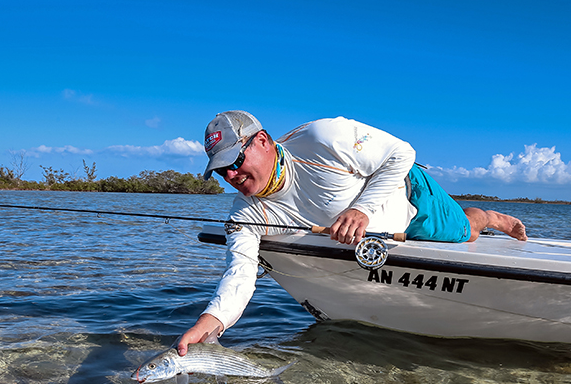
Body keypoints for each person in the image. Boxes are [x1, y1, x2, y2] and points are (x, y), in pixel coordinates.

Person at [177, 111, 527, 354]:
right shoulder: (245, 213)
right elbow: (239, 275)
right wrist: (208, 326)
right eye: (222, 171)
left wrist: (361, 210)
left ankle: (486, 215)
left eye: (236, 161)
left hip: (409, 203)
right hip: (380, 242)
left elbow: (401, 153)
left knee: (464, 233)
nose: (232, 176)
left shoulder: (322, 138)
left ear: (263, 141)